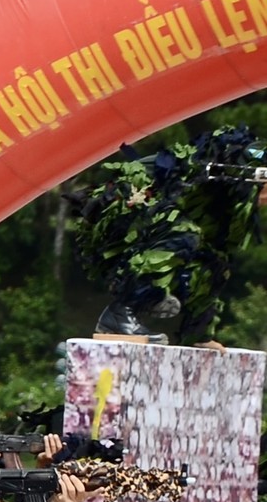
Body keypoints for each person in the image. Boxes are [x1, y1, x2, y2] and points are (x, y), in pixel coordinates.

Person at [73, 124, 263, 346]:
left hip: (161, 220)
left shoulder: (228, 207)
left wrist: (202, 329)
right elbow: (238, 153)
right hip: (128, 212)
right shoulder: (245, 160)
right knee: (183, 234)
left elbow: (215, 251)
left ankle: (196, 333)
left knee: (214, 261)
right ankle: (119, 315)